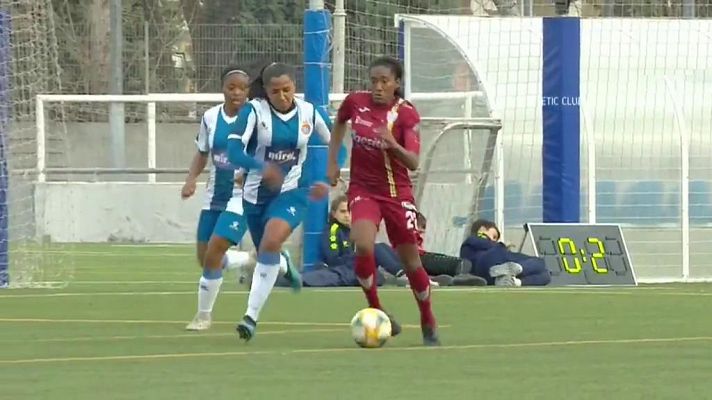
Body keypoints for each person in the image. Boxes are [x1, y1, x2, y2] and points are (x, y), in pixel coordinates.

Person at [327, 56, 440, 346]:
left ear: (397, 84)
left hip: (397, 194)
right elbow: (339, 124)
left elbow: (413, 162)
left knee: (411, 262)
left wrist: (392, 143)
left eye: (384, 81)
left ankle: (427, 318)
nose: (377, 87)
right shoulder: (356, 102)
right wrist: (333, 161)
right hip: (363, 189)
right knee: (363, 244)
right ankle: (377, 309)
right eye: (374, 81)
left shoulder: (406, 115)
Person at [227, 62, 332, 341]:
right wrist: (262, 168)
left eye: (288, 90)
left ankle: (250, 317)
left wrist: (330, 175)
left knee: (272, 241)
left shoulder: (309, 112)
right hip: (255, 195)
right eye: (276, 91)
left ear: (295, 88)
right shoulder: (253, 112)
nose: (283, 96)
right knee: (267, 252)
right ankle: (283, 264)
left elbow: (337, 143)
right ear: (267, 92)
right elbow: (234, 151)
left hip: (294, 191)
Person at [182, 66, 258, 331]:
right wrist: (191, 179)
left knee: (215, 250)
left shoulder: (257, 120)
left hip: (243, 198)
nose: (237, 92)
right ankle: (248, 260)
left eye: (242, 88)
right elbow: (202, 152)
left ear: (249, 92)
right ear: (223, 89)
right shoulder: (211, 117)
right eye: (231, 87)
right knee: (204, 258)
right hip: (214, 196)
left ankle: (203, 316)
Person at [460, 219, 551, 286]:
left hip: (491, 276)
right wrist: (502, 245)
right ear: (482, 229)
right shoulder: (472, 240)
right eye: (494, 236)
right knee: (540, 262)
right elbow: (488, 247)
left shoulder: (469, 247)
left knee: (546, 275)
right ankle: (517, 268)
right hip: (487, 262)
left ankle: (514, 281)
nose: (493, 240)